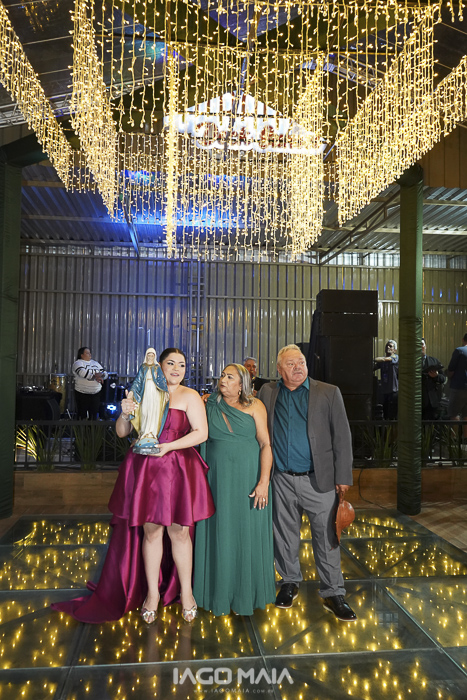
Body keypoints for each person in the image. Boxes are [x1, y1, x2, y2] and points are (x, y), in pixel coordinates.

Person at [52, 348, 215, 624]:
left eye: (182, 365)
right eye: (171, 363)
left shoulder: (190, 396)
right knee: (152, 533)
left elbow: (201, 433)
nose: (177, 369)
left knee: (180, 534)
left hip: (178, 469)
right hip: (147, 471)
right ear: (159, 366)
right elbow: (122, 432)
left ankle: (187, 593)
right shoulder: (142, 391)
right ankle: (152, 594)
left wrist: (168, 447)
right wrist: (125, 413)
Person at [258, 344, 357, 622]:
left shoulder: (328, 392)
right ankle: (289, 582)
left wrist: (343, 477)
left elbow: (342, 437)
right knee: (284, 535)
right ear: (279, 370)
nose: (298, 367)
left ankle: (333, 592)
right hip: (281, 478)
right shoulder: (268, 392)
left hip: (319, 479)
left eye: (301, 362)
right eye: (290, 364)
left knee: (327, 538)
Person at [193, 363, 276, 616]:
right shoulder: (207, 404)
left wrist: (264, 482)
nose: (223, 379)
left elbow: (265, 445)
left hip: (250, 479)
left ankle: (246, 595)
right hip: (217, 481)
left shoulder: (255, 406)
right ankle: (217, 593)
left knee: (247, 533)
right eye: (222, 375)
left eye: (230, 377)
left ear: (242, 384)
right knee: (220, 532)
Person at [72, 346, 108, 419]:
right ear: (82, 355)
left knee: (93, 416)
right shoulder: (77, 363)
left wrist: (102, 375)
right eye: (87, 353)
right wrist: (95, 376)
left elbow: (105, 373)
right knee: (82, 415)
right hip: (82, 393)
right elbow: (82, 373)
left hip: (96, 393)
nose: (90, 354)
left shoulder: (96, 363)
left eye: (90, 353)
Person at [447, 332, 467, 439]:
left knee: (454, 413)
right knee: (466, 415)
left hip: (459, 387)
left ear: (463, 339)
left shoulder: (459, 351)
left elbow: (451, 369)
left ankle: (453, 440)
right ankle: (465, 440)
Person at [374, 340, 399, 420]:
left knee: (393, 413)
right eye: (387, 346)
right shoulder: (382, 361)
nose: (388, 347)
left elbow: (384, 359)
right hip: (385, 391)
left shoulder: (395, 357)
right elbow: (374, 367)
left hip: (393, 391)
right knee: (385, 413)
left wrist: (374, 359)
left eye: (390, 346)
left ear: (395, 350)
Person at [421, 338, 446, 420]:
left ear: (425, 346)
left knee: (431, 424)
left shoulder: (434, 361)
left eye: (422, 344)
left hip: (431, 401)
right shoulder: (410, 362)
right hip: (416, 400)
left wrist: (436, 376)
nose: (420, 347)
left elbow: (443, 378)